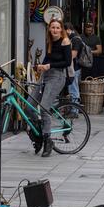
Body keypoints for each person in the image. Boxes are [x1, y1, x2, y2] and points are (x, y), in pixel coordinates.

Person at [27, 19, 71, 157]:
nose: (55, 30)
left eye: (58, 27)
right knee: (29, 106)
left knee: (44, 108)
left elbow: (67, 62)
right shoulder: (50, 41)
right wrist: (40, 66)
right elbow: (48, 58)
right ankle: (39, 132)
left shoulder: (65, 41)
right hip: (45, 75)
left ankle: (47, 140)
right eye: (53, 27)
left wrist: (50, 66)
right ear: (49, 29)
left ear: (61, 29)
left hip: (57, 77)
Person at [64, 23, 83, 115]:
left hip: (74, 68)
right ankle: (73, 109)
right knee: (72, 88)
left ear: (68, 29)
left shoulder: (75, 39)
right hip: (73, 67)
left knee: (73, 89)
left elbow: (74, 55)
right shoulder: (73, 38)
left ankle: (74, 110)